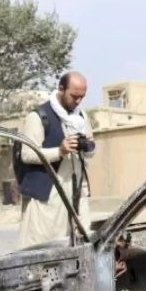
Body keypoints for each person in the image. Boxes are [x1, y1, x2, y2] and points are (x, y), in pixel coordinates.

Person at [17, 72, 95, 248]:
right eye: (74, 96)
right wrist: (59, 151)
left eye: (81, 97)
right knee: (44, 249)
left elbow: (90, 151)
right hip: (49, 197)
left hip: (76, 193)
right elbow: (27, 155)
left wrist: (88, 146)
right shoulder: (38, 117)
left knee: (81, 247)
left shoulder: (81, 117)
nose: (78, 101)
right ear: (61, 89)